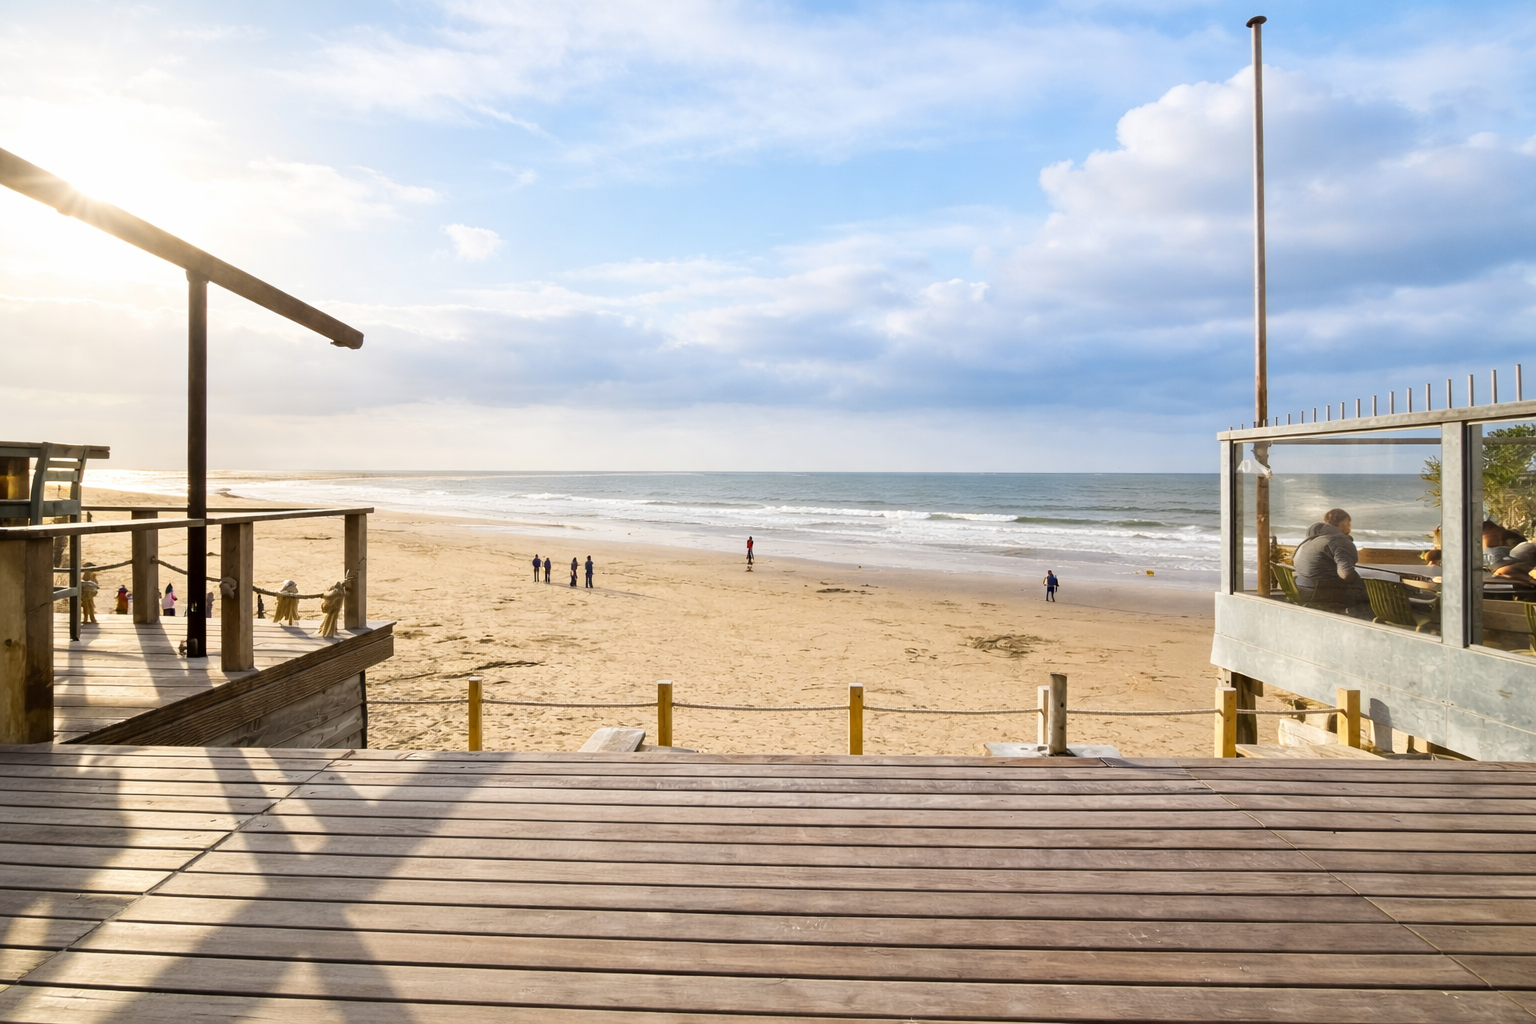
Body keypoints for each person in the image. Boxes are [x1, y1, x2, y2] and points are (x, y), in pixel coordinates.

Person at [1293, 508, 1369, 616]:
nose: (1350, 527)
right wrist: (1363, 583)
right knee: (1371, 593)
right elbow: (1346, 573)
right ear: (1343, 522)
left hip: (1301, 588)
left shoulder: (1312, 539)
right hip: (1320, 592)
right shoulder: (1338, 541)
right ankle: (1366, 627)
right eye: (1349, 523)